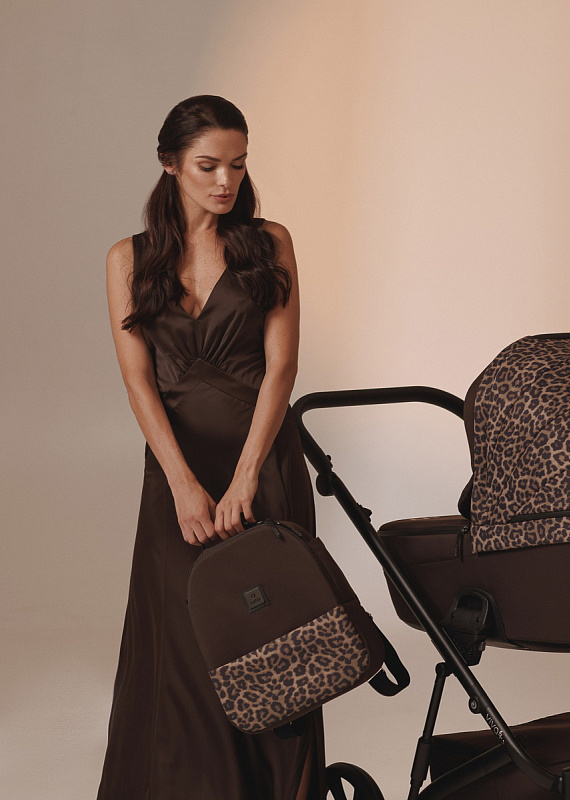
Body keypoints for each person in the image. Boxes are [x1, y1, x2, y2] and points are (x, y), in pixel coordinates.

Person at [97, 95, 325, 800]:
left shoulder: (269, 242)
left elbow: (282, 368)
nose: (226, 181)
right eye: (208, 166)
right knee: (184, 647)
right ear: (169, 164)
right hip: (178, 477)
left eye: (238, 164)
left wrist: (247, 478)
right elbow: (138, 382)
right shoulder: (128, 259)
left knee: (274, 646)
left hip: (264, 466)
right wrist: (183, 485)